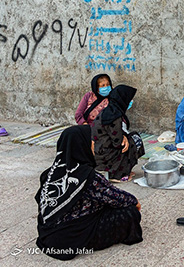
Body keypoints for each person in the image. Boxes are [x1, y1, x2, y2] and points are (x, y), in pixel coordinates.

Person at [35, 125, 142, 261]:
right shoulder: (87, 176)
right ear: (81, 146)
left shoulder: (49, 173)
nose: (94, 145)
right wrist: (135, 202)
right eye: (91, 142)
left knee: (100, 201)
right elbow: (118, 197)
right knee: (129, 212)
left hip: (47, 236)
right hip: (67, 241)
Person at [91, 85, 144, 182]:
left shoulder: (107, 112)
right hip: (108, 157)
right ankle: (118, 174)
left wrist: (124, 136)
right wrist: (125, 139)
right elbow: (118, 143)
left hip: (100, 153)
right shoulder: (114, 117)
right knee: (135, 139)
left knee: (130, 138)